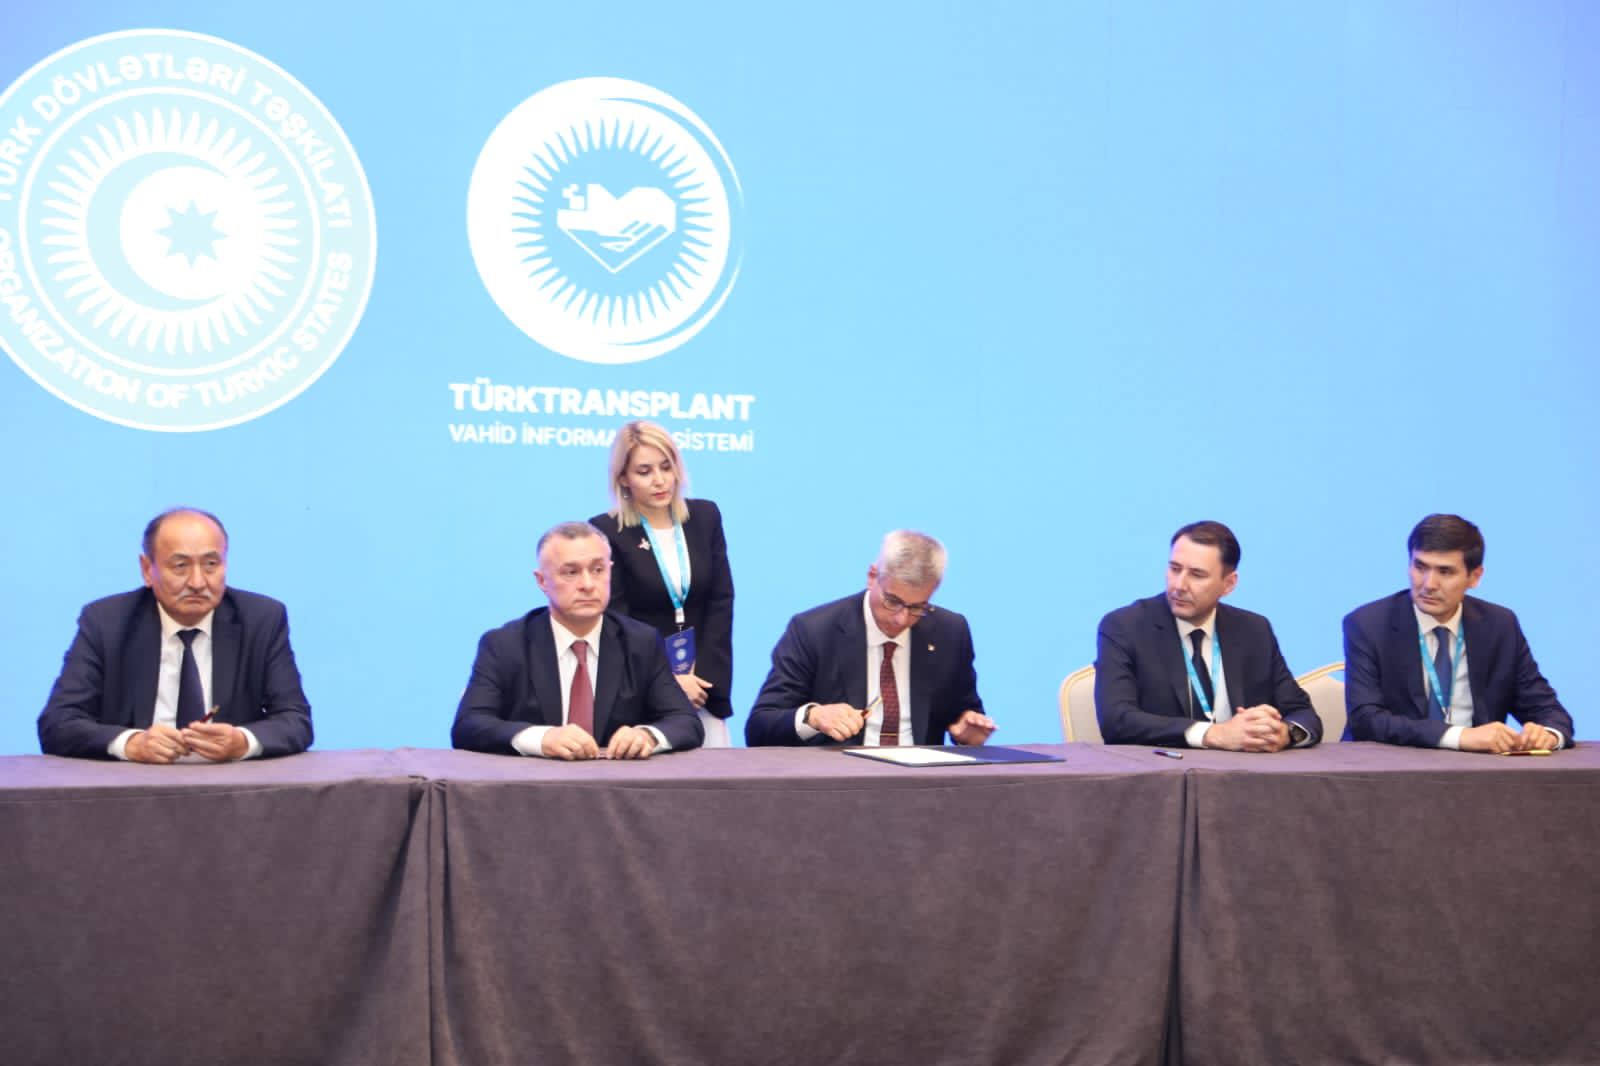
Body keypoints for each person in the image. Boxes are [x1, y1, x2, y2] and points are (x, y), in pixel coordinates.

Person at [37, 508, 313, 762]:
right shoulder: (106, 622)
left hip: (230, 792)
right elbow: (58, 723)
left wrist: (242, 742)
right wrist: (131, 744)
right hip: (134, 791)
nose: (197, 582)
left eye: (211, 564)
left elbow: (296, 720)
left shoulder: (261, 620)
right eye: (180, 566)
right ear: (147, 570)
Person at [452, 521, 704, 759]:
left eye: (597, 570)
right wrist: (542, 738)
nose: (587, 584)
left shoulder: (640, 642)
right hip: (532, 792)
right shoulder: (505, 645)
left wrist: (646, 736)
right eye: (571, 572)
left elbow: (685, 722)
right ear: (542, 581)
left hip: (617, 792)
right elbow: (469, 725)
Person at [1343, 514, 1573, 752]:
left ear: (1474, 577)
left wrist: (1547, 734)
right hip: (1390, 772)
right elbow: (1366, 720)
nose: (1429, 584)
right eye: (1420, 566)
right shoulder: (1368, 625)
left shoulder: (1499, 626)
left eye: (1445, 572)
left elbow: (1548, 710)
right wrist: (1459, 737)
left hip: (1477, 777)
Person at [745, 530, 995, 747]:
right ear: (872, 576)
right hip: (841, 786)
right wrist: (814, 716)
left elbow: (965, 714)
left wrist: (967, 734)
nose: (901, 619)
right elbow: (759, 727)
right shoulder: (814, 630)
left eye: (918, 607)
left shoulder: (951, 632)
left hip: (922, 786)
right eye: (893, 601)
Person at [1095, 520, 1321, 750]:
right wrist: (1211, 734)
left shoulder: (1254, 630)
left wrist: (1284, 733)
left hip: (1245, 777)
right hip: (1164, 775)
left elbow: (1302, 713)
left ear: (1228, 584)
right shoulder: (1126, 626)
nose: (1179, 585)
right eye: (1174, 569)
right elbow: (1116, 720)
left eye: (1197, 574)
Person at [590, 421, 735, 746]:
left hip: (703, 687)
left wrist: (702, 679)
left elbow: (721, 602)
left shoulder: (705, 517)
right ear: (623, 478)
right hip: (643, 690)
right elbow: (618, 622)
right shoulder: (607, 532)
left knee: (715, 786)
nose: (659, 480)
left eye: (666, 467)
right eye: (644, 471)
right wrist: (668, 681)